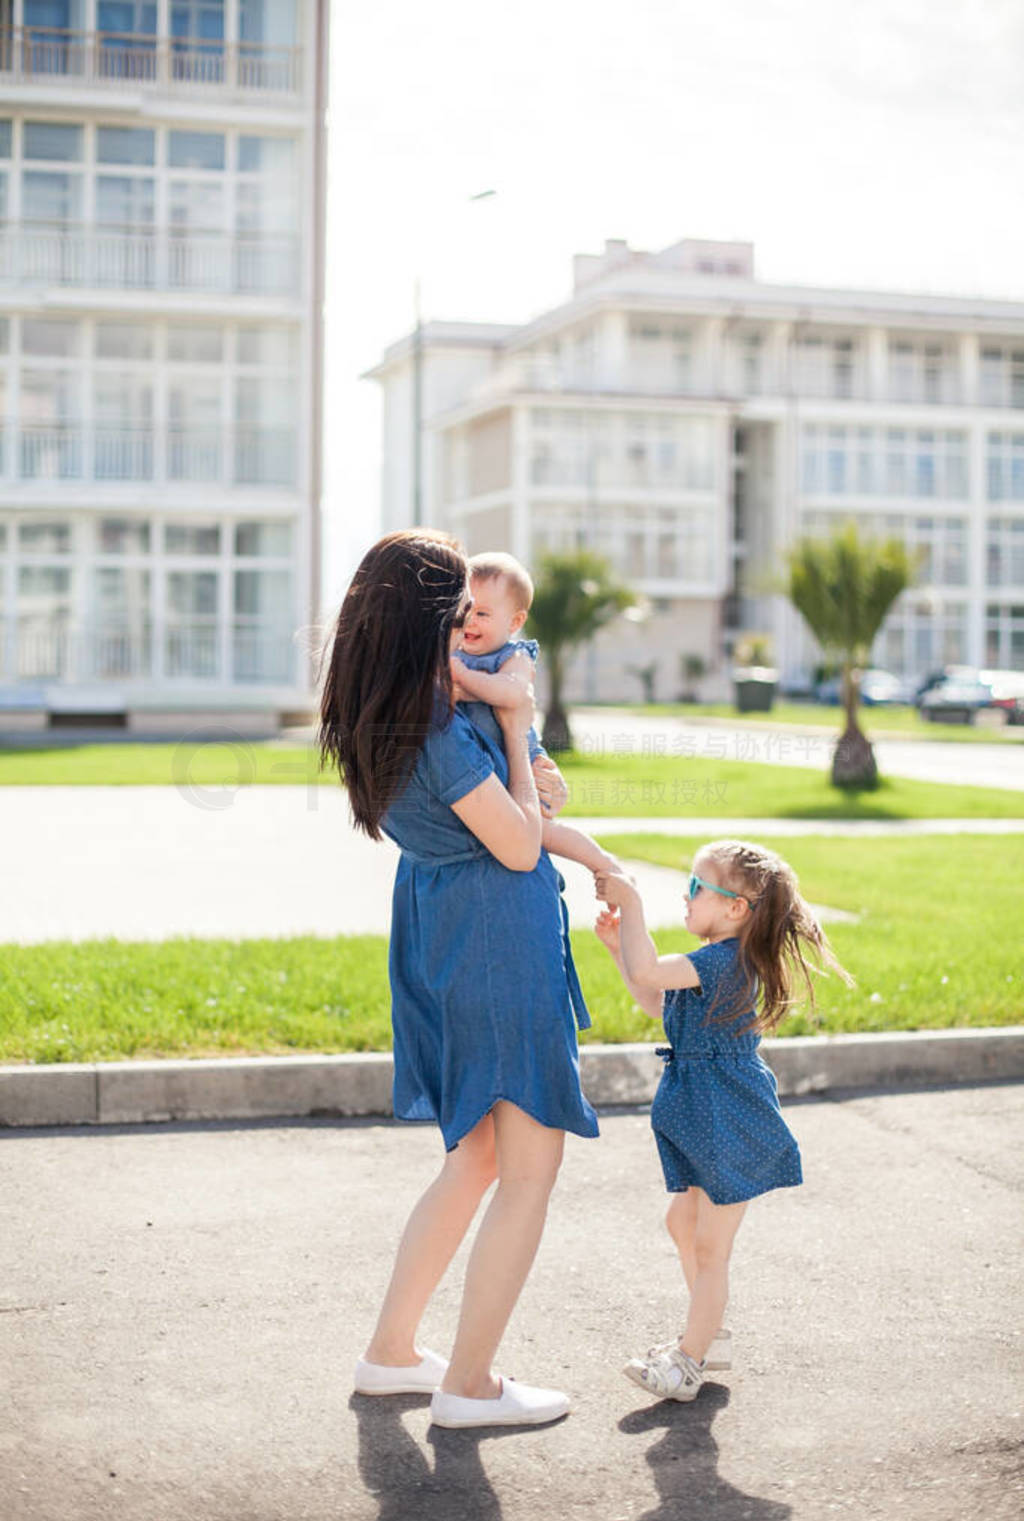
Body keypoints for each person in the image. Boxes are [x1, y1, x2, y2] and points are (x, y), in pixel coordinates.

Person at [318, 529, 618, 1431]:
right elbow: (521, 844)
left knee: (477, 1158)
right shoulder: (440, 727)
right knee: (529, 1163)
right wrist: (522, 727)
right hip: (492, 934)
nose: (469, 629)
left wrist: (524, 767)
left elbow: (518, 810)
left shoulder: (391, 711)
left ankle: (395, 1354)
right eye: (456, 614)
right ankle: (472, 1386)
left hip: (451, 928)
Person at [593, 840, 853, 1404]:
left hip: (729, 1117)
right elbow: (654, 998)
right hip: (700, 1113)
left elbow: (649, 969)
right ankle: (708, 1338)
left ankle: (688, 1361)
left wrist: (632, 907)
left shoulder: (724, 961)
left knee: (710, 1246)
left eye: (695, 887)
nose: (685, 897)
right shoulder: (714, 962)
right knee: (681, 1225)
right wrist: (619, 950)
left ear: (736, 907)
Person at [451, 549, 622, 879]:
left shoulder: (513, 657)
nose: (470, 621)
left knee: (544, 831)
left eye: (483, 614)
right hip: (486, 760)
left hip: (522, 759)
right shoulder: (455, 652)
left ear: (515, 622)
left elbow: (514, 694)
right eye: (465, 610)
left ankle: (603, 864)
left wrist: (463, 680)